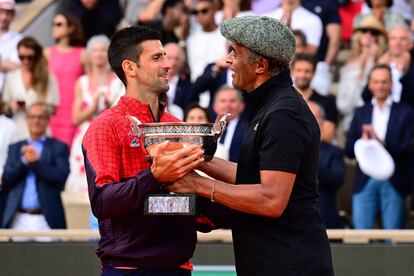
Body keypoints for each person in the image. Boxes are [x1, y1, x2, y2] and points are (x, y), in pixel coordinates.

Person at [168, 16, 334, 275]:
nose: (228, 60)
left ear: (260, 65)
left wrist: (198, 184)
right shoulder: (270, 106)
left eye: (234, 52)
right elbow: (251, 176)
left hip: (289, 264)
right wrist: (196, 158)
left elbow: (271, 198)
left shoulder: (284, 114)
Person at [82, 26, 205, 275]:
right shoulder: (106, 126)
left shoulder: (177, 127)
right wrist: (155, 177)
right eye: (157, 58)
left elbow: (194, 202)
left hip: (178, 266)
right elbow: (103, 202)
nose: (167, 64)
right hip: (128, 267)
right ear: (130, 68)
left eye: (165, 57)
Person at [345, 64, 414, 230]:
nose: (380, 86)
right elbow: (348, 149)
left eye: (384, 82)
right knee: (360, 237)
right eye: (376, 82)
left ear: (391, 84)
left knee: (393, 237)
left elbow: (408, 149)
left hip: (394, 180)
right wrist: (361, 144)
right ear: (370, 84)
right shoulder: (361, 112)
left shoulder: (406, 112)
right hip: (365, 180)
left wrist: (382, 143)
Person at [1, 102, 69, 238]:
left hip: (46, 219)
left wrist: (37, 163)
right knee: (16, 259)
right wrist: (24, 161)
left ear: (48, 120)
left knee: (49, 258)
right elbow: (7, 179)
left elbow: (61, 178)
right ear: (26, 119)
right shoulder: (16, 148)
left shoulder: (58, 147)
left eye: (41, 117)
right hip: (18, 218)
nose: (36, 121)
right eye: (32, 117)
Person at [66, 35, 124, 194]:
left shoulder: (118, 81)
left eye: (102, 50)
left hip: (109, 135)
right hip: (85, 135)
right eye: (95, 51)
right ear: (89, 54)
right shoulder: (82, 82)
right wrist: (92, 109)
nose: (98, 54)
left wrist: (108, 108)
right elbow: (75, 118)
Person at [337, 15, 387, 132]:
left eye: (373, 33)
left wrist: (373, 58)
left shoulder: (381, 60)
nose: (368, 35)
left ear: (378, 38)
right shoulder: (351, 60)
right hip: (347, 112)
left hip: (369, 116)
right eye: (364, 31)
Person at [2, 36, 59, 140]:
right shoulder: (11, 76)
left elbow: (54, 108)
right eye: (21, 57)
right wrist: (11, 105)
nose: (26, 61)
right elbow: (4, 107)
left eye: (30, 57)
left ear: (37, 56)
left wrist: (38, 108)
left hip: (40, 129)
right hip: (17, 129)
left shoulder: (48, 77)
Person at [45, 11, 86, 147]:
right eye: (53, 24)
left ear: (71, 28)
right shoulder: (47, 53)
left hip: (74, 114)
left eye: (59, 24)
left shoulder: (82, 54)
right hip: (51, 113)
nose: (54, 27)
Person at [308, 101, 346, 229]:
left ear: (322, 123)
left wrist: (310, 158)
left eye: (312, 116)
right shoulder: (287, 150)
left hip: (323, 216)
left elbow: (337, 179)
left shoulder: (334, 152)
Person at [291, 54, 338, 143]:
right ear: (292, 72)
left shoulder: (327, 102)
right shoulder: (283, 100)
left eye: (307, 71)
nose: (302, 75)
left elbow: (328, 135)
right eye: (299, 70)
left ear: (314, 73)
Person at [186, 0, 227, 81]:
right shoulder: (191, 39)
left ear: (215, 10)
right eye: (196, 12)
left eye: (204, 11)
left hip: (219, 87)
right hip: (196, 90)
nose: (200, 15)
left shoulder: (226, 35)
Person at [212, 86, 247, 162]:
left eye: (232, 101)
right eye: (223, 101)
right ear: (214, 106)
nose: (227, 105)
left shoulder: (248, 129)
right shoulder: (208, 129)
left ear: (241, 106)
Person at [0, 0, 22, 94]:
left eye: (8, 13)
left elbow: (20, 67)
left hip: (9, 95)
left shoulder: (19, 39)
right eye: (1, 12)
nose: (4, 17)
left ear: (13, 16)